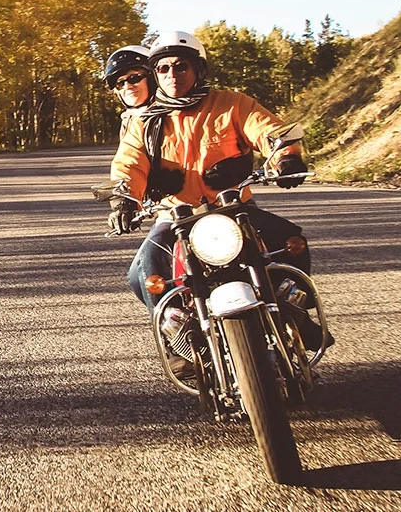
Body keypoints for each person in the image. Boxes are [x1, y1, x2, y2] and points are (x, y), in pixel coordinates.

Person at [111, 31, 327, 379]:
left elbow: (268, 130)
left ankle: (298, 316)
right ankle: (178, 338)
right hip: (176, 215)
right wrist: (125, 198)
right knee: (145, 274)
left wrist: (286, 157)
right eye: (163, 68)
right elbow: (129, 165)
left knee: (292, 242)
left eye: (181, 66)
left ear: (198, 68)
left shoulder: (231, 104)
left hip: (234, 209)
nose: (171, 75)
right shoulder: (146, 121)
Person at [99, 45, 153, 235]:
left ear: (153, 77)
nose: (127, 86)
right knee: (147, 263)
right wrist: (124, 201)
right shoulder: (131, 120)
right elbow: (129, 162)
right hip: (171, 210)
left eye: (134, 78)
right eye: (119, 83)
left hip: (224, 202)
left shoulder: (180, 111)